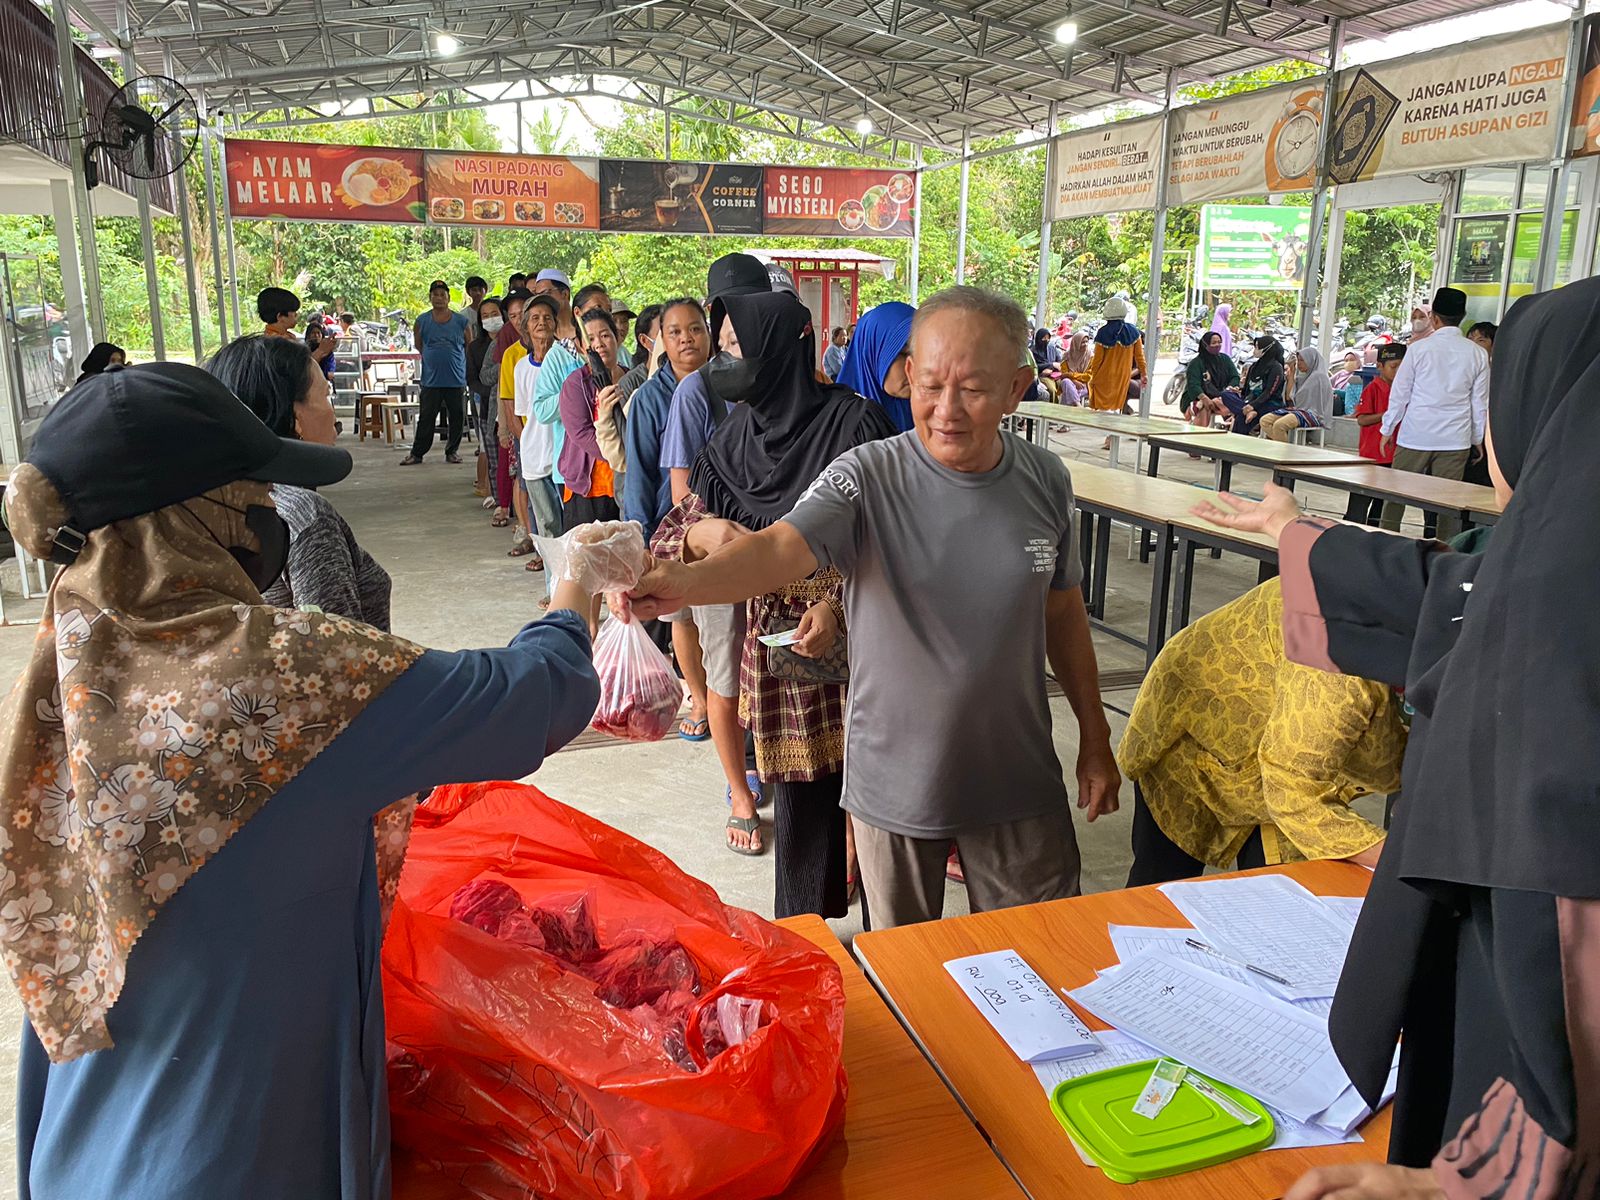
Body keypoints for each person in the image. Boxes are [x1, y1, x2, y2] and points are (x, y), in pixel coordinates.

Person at [3, 362, 599, 1198]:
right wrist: (572, 588)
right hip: (238, 1157)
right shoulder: (290, 682)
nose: (269, 525)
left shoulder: (63, 682)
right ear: (196, 520)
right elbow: (533, 698)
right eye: (254, 503)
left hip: (81, 1150)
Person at [1195, 278, 1600, 1200]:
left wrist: (1467, 1182)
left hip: (1531, 1108)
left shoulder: (1557, 680)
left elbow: (1569, 987)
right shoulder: (1550, 579)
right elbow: (1451, 592)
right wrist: (1300, 536)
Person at [625, 287, 1121, 928]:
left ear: (1016, 386)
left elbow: (1062, 615)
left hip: (1016, 779)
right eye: (931, 383)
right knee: (907, 977)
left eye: (972, 388)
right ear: (909, 374)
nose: (946, 410)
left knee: (1041, 956)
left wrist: (1095, 735)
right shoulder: (866, 474)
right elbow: (780, 549)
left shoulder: (1045, 479)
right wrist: (682, 582)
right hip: (895, 783)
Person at [632, 289, 899, 885]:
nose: (720, 361)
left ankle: (865, 861)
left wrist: (835, 603)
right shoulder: (732, 441)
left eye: (734, 347)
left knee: (871, 788)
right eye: (720, 347)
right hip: (784, 660)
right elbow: (674, 530)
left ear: (777, 351)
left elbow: (889, 539)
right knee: (805, 811)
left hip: (860, 648)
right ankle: (812, 932)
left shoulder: (853, 424)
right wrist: (705, 531)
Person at [1121, 576, 1403, 886]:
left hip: (1280, 738)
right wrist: (1403, 859)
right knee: (1158, 891)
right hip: (1196, 731)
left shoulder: (1416, 610)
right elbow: (1292, 796)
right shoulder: (1342, 661)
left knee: (1279, 893)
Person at [657, 253, 773, 846]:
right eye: (727, 319)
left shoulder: (787, 381)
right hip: (721, 555)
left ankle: (763, 760)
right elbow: (682, 493)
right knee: (726, 672)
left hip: (780, 561)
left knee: (774, 676)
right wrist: (713, 538)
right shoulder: (697, 392)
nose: (738, 329)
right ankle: (740, 791)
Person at [206, 335, 392, 630]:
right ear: (295, 418)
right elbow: (337, 650)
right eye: (325, 396)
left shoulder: (211, 499)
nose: (332, 413)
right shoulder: (305, 517)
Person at [1378, 286, 1489, 539]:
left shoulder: (1418, 349)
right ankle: (1446, 552)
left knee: (1395, 497)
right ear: (1462, 316)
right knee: (1449, 504)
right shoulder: (1478, 354)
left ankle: (1384, 541)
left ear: (1434, 318)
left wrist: (1387, 429)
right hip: (1455, 438)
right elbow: (1478, 402)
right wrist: (1477, 438)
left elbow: (1400, 393)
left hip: (1416, 434)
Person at [532, 282, 608, 500]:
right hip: (576, 469)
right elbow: (542, 410)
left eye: (607, 310)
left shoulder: (617, 352)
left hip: (615, 466)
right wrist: (574, 397)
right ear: (577, 313)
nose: (603, 315)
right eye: (596, 309)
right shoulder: (559, 355)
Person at [556, 308, 625, 527]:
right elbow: (582, 433)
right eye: (591, 338)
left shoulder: (633, 376)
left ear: (617, 338)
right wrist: (623, 458)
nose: (599, 344)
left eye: (605, 335)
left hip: (627, 483)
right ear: (581, 346)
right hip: (590, 490)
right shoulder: (576, 383)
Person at [400, 280, 471, 466]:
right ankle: (417, 453)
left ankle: (452, 451)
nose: (439, 298)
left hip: (455, 379)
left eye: (442, 294)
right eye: (435, 295)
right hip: (431, 380)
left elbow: (468, 344)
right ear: (430, 298)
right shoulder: (422, 320)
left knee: (457, 416)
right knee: (426, 417)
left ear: (448, 298)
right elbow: (419, 344)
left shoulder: (461, 321)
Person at [1343, 343, 1404, 525]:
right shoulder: (1373, 389)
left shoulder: (1403, 390)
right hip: (1371, 456)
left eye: (1402, 367)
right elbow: (1362, 419)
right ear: (1379, 367)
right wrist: (1387, 415)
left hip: (1393, 456)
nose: (1398, 371)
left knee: (1380, 507)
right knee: (1358, 506)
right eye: (1393, 367)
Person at [835, 301, 914, 433]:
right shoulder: (843, 424)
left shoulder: (932, 414)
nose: (916, 367)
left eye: (922, 354)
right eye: (905, 353)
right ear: (873, 352)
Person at [1067, 296, 1146, 413]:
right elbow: (1140, 357)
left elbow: (1097, 360)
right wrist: (1144, 374)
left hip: (1104, 378)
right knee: (1117, 409)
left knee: (1103, 412)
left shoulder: (1102, 333)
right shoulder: (1134, 332)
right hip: (1122, 377)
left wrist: (1092, 378)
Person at [467, 295, 505, 504]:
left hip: (510, 408)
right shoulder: (476, 347)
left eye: (494, 314)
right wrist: (491, 392)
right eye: (485, 316)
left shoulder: (515, 341)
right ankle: (499, 499)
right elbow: (473, 379)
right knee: (493, 458)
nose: (490, 319)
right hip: (486, 408)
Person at [1259, 346, 1333, 442]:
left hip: (1313, 414)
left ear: (1311, 360)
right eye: (1298, 361)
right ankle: (1282, 444)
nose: (1299, 364)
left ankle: (1282, 453)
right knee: (1265, 421)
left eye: (1302, 360)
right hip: (1299, 410)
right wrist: (1291, 374)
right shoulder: (1302, 378)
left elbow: (1296, 397)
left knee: (1279, 425)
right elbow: (1289, 397)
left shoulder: (1318, 376)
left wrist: (1293, 381)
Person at [1181, 330, 1240, 428]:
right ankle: (1199, 437)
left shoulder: (1225, 359)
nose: (1217, 345)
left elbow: (1234, 376)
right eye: (1213, 343)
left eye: (1219, 342)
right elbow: (1193, 385)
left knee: (1230, 403)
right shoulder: (1196, 363)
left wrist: (1230, 388)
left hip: (1220, 395)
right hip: (1197, 397)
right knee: (1203, 407)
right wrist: (1204, 398)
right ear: (1205, 345)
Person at [1232, 335, 1287, 435]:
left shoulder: (1276, 368)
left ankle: (1250, 412)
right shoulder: (1254, 366)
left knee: (1241, 417)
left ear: (1266, 349)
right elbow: (1246, 390)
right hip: (1251, 401)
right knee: (1226, 395)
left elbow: (1269, 392)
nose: (1255, 350)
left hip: (1269, 403)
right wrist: (1239, 392)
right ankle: (1248, 412)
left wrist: (1252, 406)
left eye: (1257, 347)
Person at [1060, 331, 1091, 405]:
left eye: (1087, 342)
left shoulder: (1090, 356)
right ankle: (1077, 404)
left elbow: (1088, 376)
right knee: (1066, 382)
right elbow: (1064, 374)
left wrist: (1071, 375)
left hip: (1084, 385)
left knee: (1067, 393)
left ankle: (1065, 410)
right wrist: (1074, 381)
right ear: (1076, 343)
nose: (1085, 344)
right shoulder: (1067, 355)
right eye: (1083, 342)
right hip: (1070, 383)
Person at [461, 275, 487, 340]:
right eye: (474, 290)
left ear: (485, 290)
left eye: (480, 289)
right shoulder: (463, 315)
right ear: (468, 292)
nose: (478, 293)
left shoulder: (494, 309)